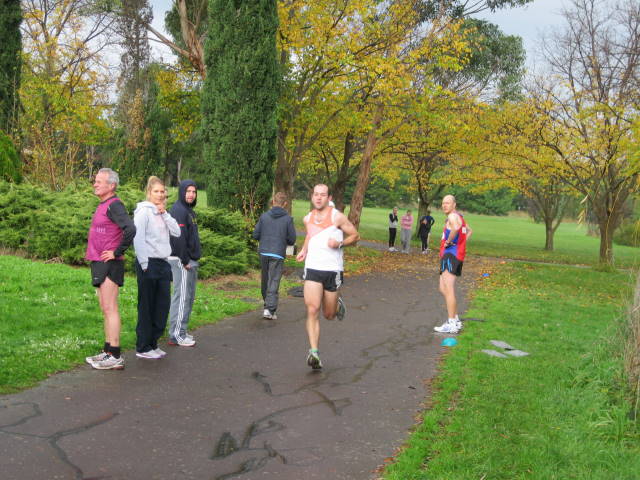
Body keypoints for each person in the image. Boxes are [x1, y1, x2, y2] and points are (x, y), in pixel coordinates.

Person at [296, 184, 359, 369]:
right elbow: (310, 235)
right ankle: (314, 352)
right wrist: (304, 249)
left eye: (322, 195)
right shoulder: (307, 218)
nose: (318, 198)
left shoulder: (337, 217)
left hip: (332, 269)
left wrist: (339, 243)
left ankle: (336, 304)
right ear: (312, 197)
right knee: (312, 309)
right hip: (313, 268)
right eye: (316, 194)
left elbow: (355, 235)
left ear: (329, 197)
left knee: (329, 314)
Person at [85, 168, 136, 370]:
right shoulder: (104, 204)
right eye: (95, 181)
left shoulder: (115, 205)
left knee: (110, 307)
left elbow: (130, 229)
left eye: (99, 181)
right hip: (99, 261)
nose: (95, 184)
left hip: (110, 263)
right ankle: (107, 351)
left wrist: (116, 252)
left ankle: (115, 354)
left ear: (111, 185)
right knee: (105, 307)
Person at [133, 176, 181, 359]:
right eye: (156, 191)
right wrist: (144, 263)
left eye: (162, 191)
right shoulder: (143, 212)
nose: (160, 195)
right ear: (149, 192)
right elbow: (138, 238)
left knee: (161, 306)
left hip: (163, 263)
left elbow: (177, 232)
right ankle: (143, 347)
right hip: (148, 263)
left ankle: (153, 343)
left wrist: (165, 214)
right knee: (147, 307)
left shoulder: (162, 213)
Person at [167, 180, 201, 347]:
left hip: (189, 260)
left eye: (194, 192)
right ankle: (176, 335)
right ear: (182, 192)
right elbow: (178, 237)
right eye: (188, 191)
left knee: (188, 297)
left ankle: (182, 331)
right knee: (181, 298)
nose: (191, 194)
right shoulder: (179, 210)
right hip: (181, 260)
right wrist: (185, 260)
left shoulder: (189, 211)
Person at [253, 192, 297, 320]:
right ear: (285, 204)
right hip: (277, 253)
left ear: (273, 201)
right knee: (274, 280)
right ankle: (269, 309)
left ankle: (267, 305)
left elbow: (255, 235)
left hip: (264, 252)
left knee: (265, 279)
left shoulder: (264, 216)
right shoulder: (288, 219)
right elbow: (292, 240)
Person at [434, 195, 472, 334]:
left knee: (448, 289)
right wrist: (460, 243)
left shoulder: (452, 216)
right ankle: (455, 320)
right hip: (453, 255)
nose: (444, 205)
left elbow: (455, 228)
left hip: (451, 255)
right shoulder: (459, 217)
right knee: (442, 287)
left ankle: (451, 323)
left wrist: (449, 242)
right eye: (443, 203)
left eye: (448, 203)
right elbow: (469, 231)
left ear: (454, 205)